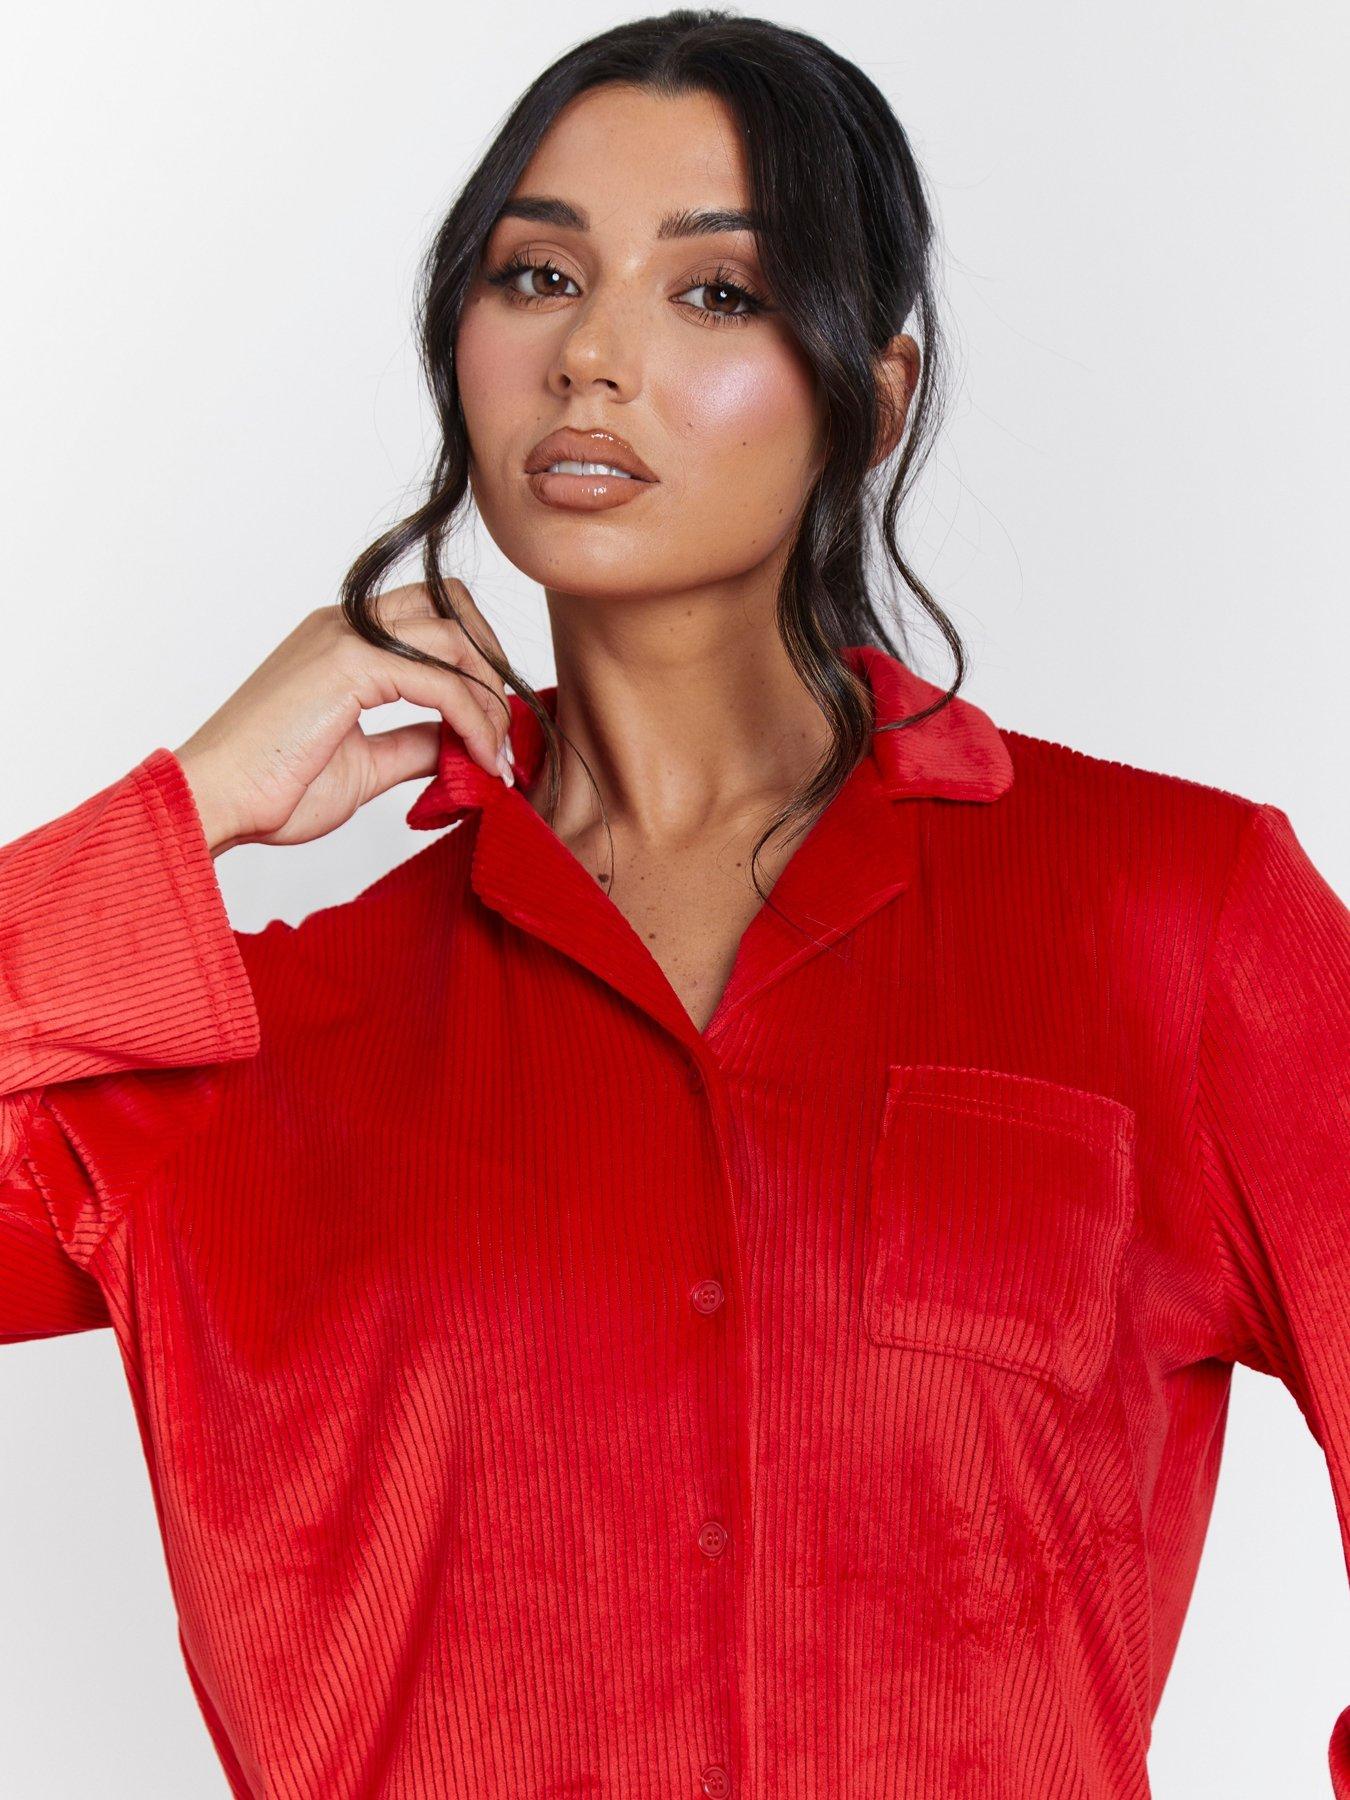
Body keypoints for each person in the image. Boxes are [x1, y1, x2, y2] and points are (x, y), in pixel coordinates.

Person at [2, 10, 1347, 1798]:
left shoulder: (1177, 924)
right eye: (538, 276)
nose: (590, 356)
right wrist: (183, 813)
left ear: (873, 393)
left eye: (714, 292)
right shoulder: (246, 1058)